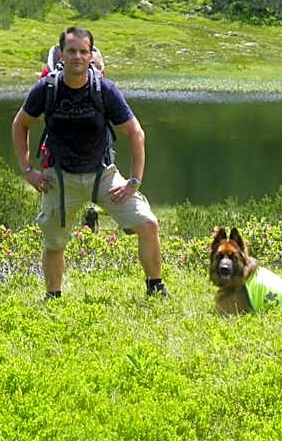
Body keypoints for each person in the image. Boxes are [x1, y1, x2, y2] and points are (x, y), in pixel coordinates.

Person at [12, 26, 167, 300]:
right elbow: (20, 124)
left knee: (148, 224)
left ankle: (156, 288)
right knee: (54, 241)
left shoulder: (104, 90)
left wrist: (133, 182)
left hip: (102, 175)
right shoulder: (47, 89)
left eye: (84, 51)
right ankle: (53, 297)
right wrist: (27, 171)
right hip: (59, 178)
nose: (77, 57)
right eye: (71, 51)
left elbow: (135, 133)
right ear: (61, 54)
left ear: (91, 54)